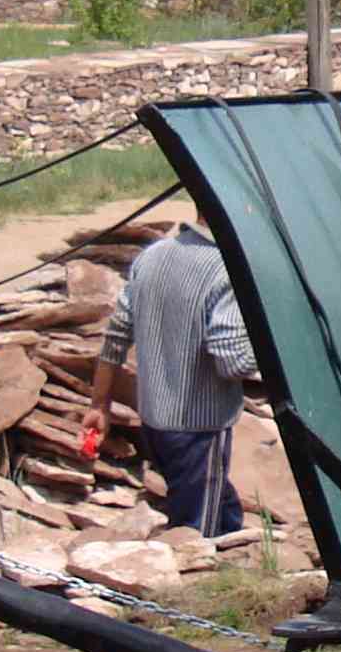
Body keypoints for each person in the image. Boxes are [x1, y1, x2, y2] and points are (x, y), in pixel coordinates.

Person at [82, 215, 257, 540]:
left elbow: (116, 335)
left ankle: (233, 547)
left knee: (218, 503)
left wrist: (100, 405)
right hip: (199, 427)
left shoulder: (152, 256)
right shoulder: (226, 269)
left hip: (155, 422)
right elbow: (232, 362)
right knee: (195, 536)